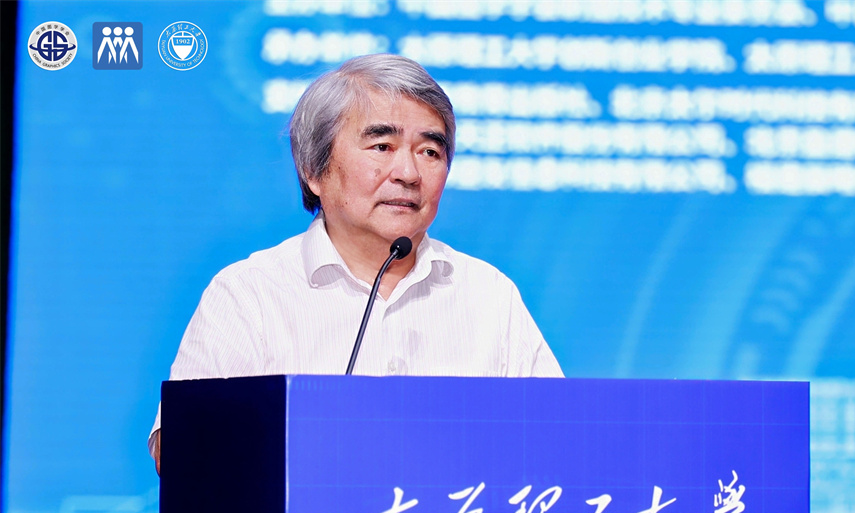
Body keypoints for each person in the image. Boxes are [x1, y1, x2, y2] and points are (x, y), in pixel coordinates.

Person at [149, 54, 562, 474]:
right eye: (382, 146)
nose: (408, 173)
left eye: (430, 151)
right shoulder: (249, 293)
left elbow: (560, 443)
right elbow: (183, 452)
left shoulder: (489, 295)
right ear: (314, 169)